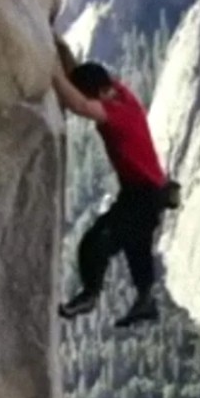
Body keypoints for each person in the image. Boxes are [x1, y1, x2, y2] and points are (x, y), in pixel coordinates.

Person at [52, 37, 172, 327]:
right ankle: (146, 301)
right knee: (137, 244)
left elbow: (80, 103)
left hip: (141, 195)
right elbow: (83, 78)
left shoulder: (116, 114)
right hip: (150, 190)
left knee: (94, 244)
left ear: (100, 94)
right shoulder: (120, 92)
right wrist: (61, 52)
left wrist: (51, 73)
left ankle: (91, 294)